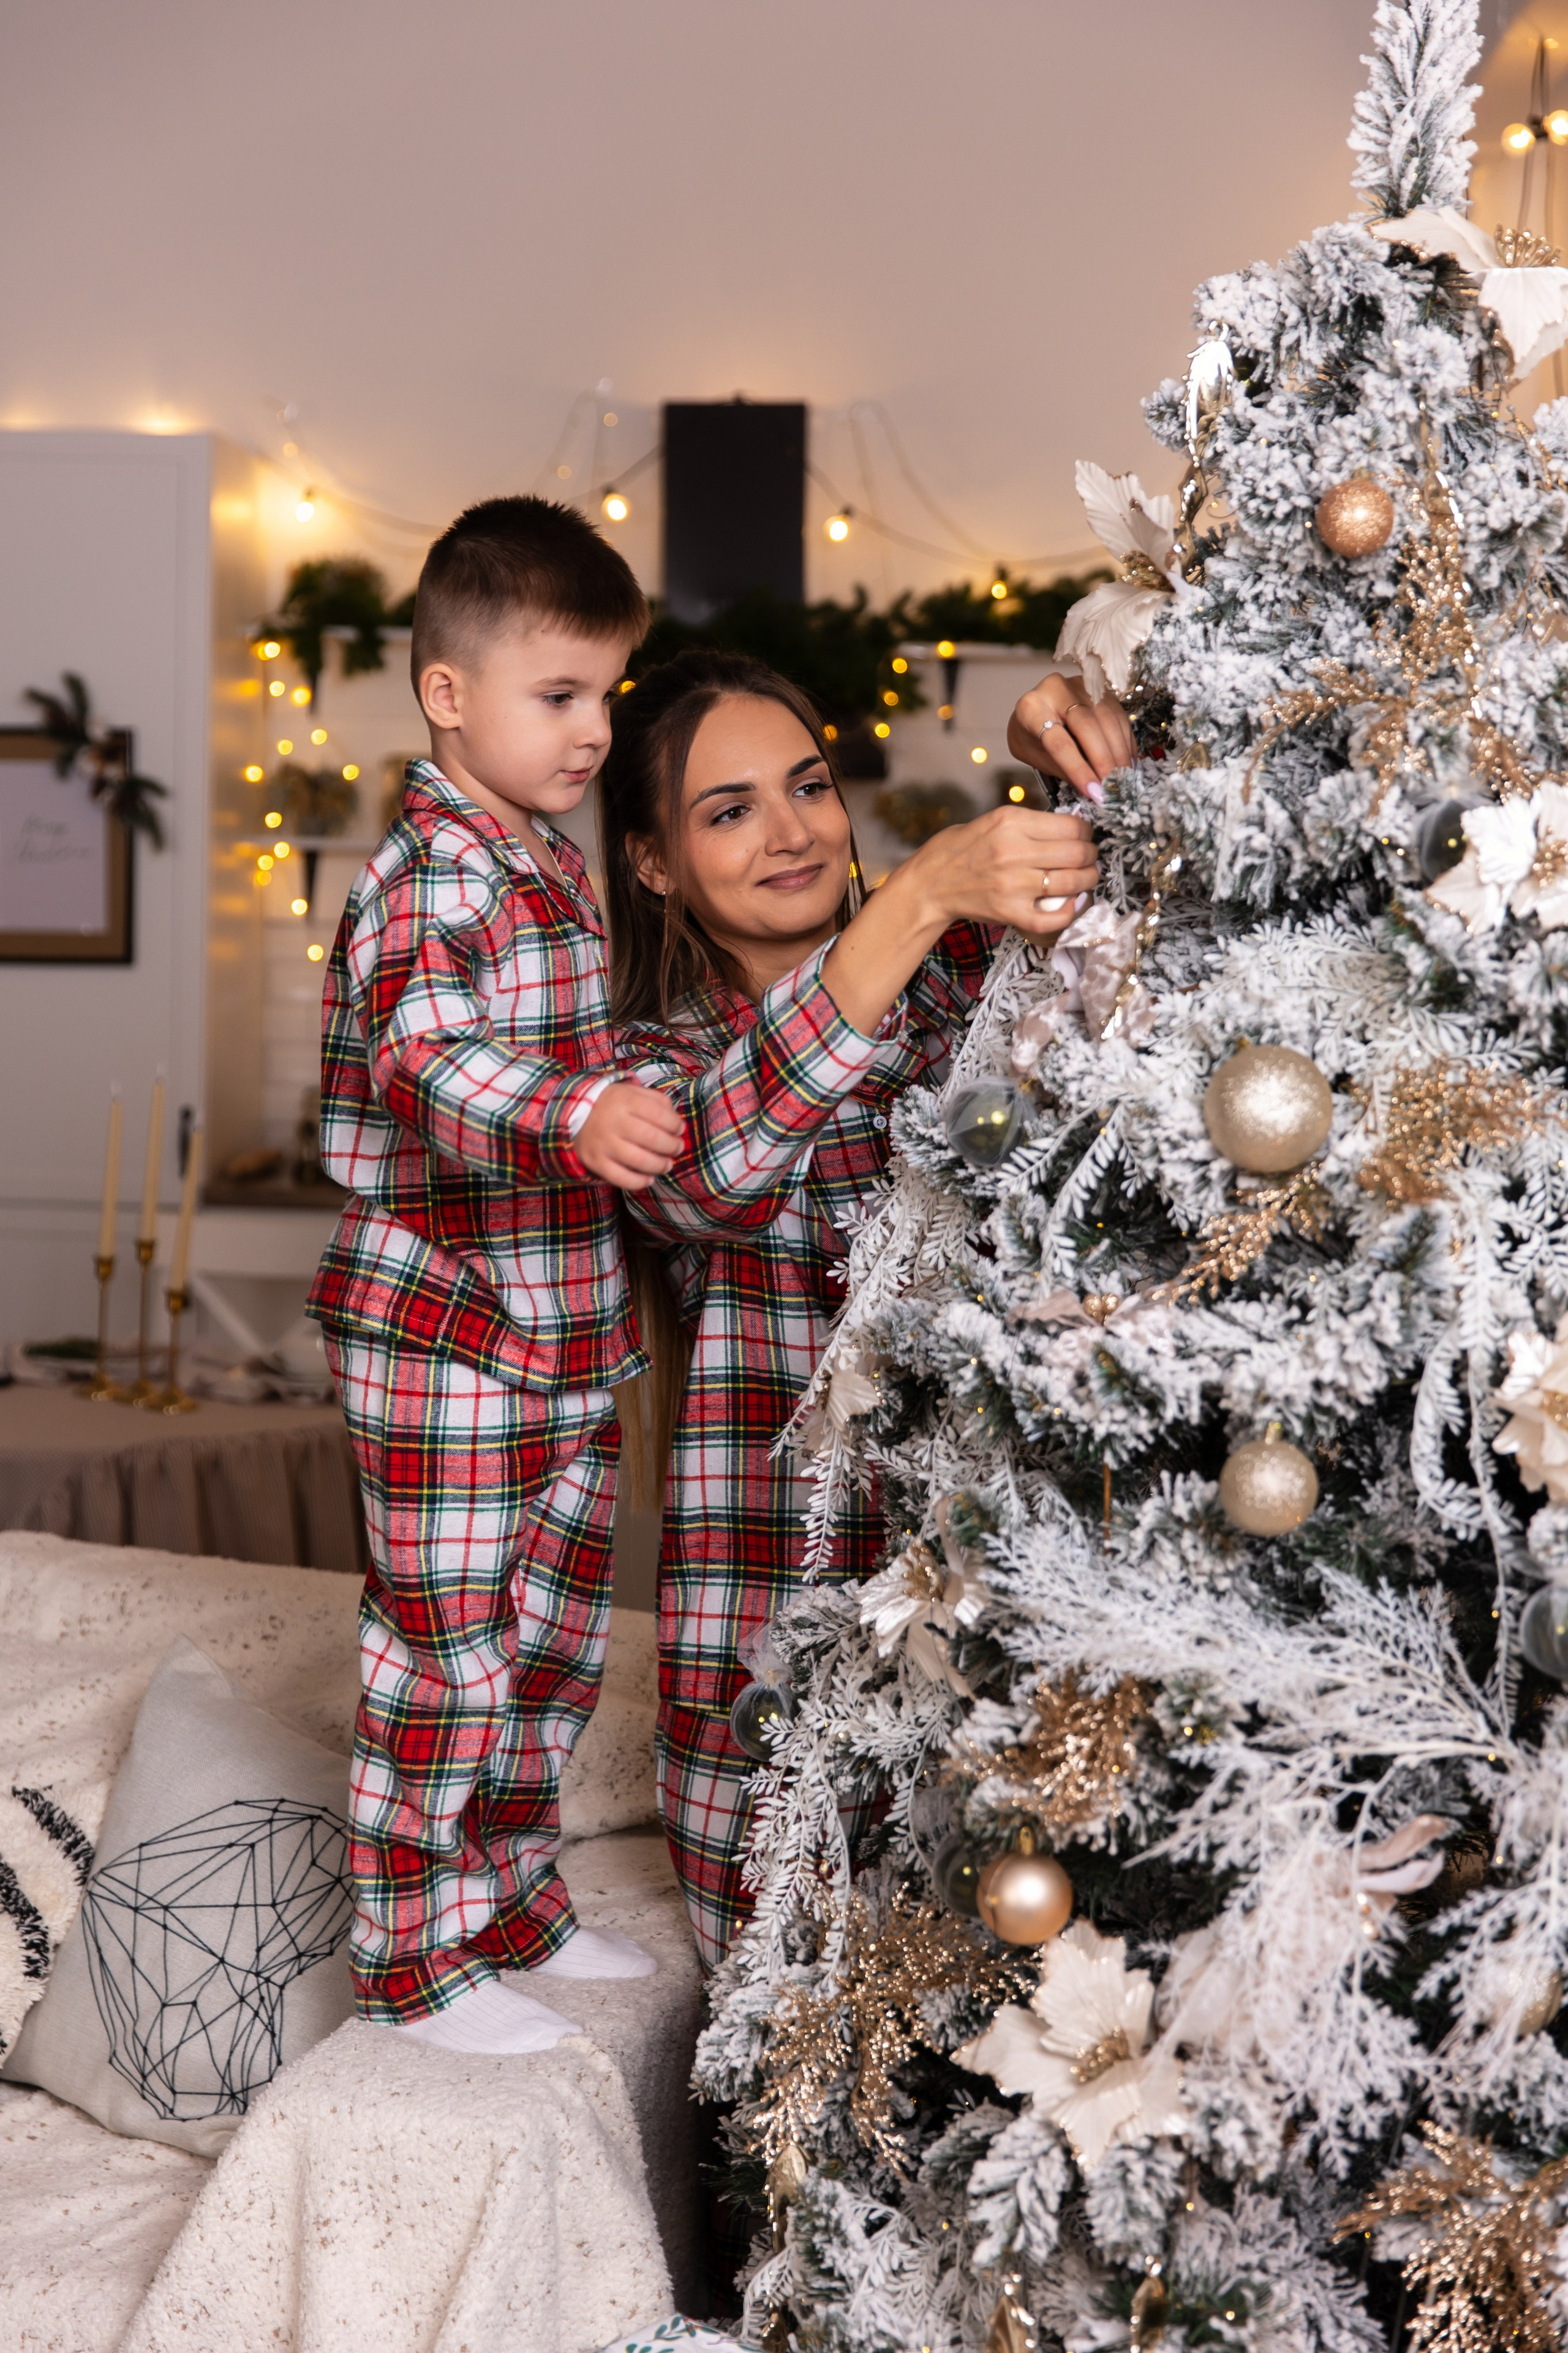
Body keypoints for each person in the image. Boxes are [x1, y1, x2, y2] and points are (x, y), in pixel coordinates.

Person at [600, 651, 1125, 1965]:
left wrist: (1068, 735)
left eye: (809, 786)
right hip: (773, 1680)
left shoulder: (956, 985)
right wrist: (921, 887)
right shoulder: (641, 1063)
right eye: (727, 811)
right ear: (653, 861)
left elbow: (1136, 933)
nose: (790, 832)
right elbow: (709, 1172)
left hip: (1005, 1640)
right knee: (792, 2118)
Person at [306, 497, 690, 2057]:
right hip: (445, 1339)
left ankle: (508, 1902)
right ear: (448, 695)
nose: (595, 731)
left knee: (546, 1641)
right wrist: (576, 1109)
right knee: (445, 1645)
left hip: (555, 1340)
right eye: (558, 695)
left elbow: (566, 1047)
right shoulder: (428, 878)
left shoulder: (539, 860)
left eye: (605, 693)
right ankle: (405, 1960)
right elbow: (419, 1052)